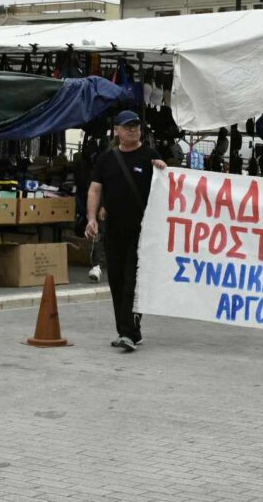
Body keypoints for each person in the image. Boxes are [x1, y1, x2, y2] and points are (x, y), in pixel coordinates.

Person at [86, 111, 168, 352]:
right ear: (117, 131)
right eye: (127, 127)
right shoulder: (106, 159)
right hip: (114, 230)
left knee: (132, 280)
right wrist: (91, 218)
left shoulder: (151, 156)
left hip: (142, 232)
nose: (133, 130)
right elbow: (94, 190)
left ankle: (127, 333)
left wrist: (163, 170)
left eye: (136, 126)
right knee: (117, 280)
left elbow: (166, 187)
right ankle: (129, 330)